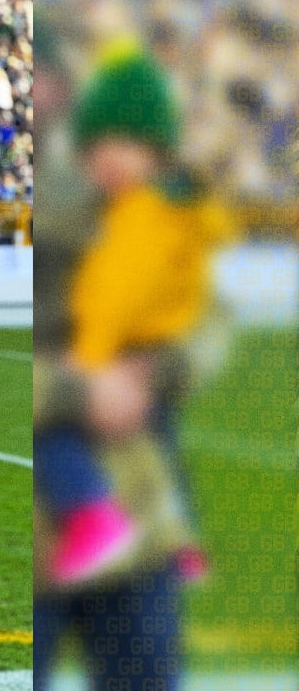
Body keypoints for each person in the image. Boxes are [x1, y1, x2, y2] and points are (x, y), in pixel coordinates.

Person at [32, 41, 231, 689]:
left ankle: (182, 532)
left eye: (49, 76)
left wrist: (157, 370)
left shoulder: (134, 207)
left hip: (137, 516)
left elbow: (205, 312)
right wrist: (75, 392)